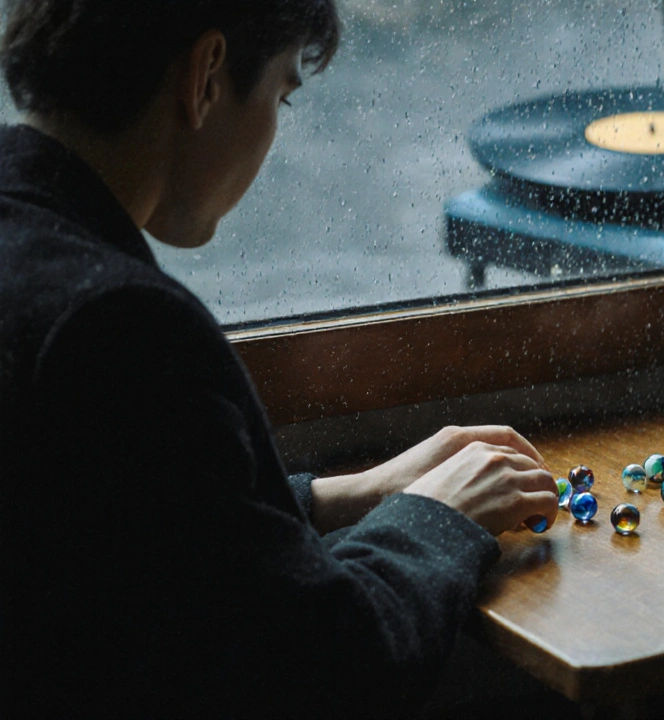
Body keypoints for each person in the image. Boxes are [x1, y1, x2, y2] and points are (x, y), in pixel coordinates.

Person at [0, 1, 560, 717]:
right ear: (205, 76)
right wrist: (435, 515)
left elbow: (132, 531)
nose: (272, 129)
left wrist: (340, 496)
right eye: (280, 94)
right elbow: (329, 670)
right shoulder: (117, 326)